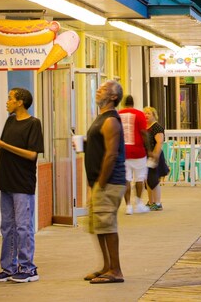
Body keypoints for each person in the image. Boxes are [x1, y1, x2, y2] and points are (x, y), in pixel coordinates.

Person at [0, 87, 44, 283]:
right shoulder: (10, 121)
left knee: (23, 227)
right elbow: (5, 149)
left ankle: (28, 268)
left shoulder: (34, 124)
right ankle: (8, 267)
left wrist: (2, 145)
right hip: (7, 181)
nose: (7, 101)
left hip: (22, 183)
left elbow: (31, 154)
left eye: (10, 98)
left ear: (20, 102)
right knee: (7, 226)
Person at [82, 80, 127, 284]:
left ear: (113, 97)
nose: (98, 90)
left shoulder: (111, 121)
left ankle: (116, 270)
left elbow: (110, 155)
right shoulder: (100, 118)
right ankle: (107, 266)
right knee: (99, 225)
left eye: (104, 89)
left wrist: (100, 182)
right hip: (98, 182)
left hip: (109, 182)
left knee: (107, 225)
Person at [118, 96, 151, 215]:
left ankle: (128, 207)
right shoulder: (139, 114)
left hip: (123, 152)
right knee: (139, 178)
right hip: (138, 152)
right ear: (133, 103)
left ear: (123, 103)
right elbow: (143, 133)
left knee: (126, 179)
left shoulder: (118, 114)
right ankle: (138, 204)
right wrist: (148, 149)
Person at [144, 107, 166, 211]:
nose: (146, 115)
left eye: (148, 113)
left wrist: (155, 156)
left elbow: (159, 142)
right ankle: (151, 201)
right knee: (148, 180)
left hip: (154, 156)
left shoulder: (157, 127)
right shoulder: (146, 127)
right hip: (147, 157)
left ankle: (157, 203)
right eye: (145, 113)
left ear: (154, 115)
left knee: (154, 180)